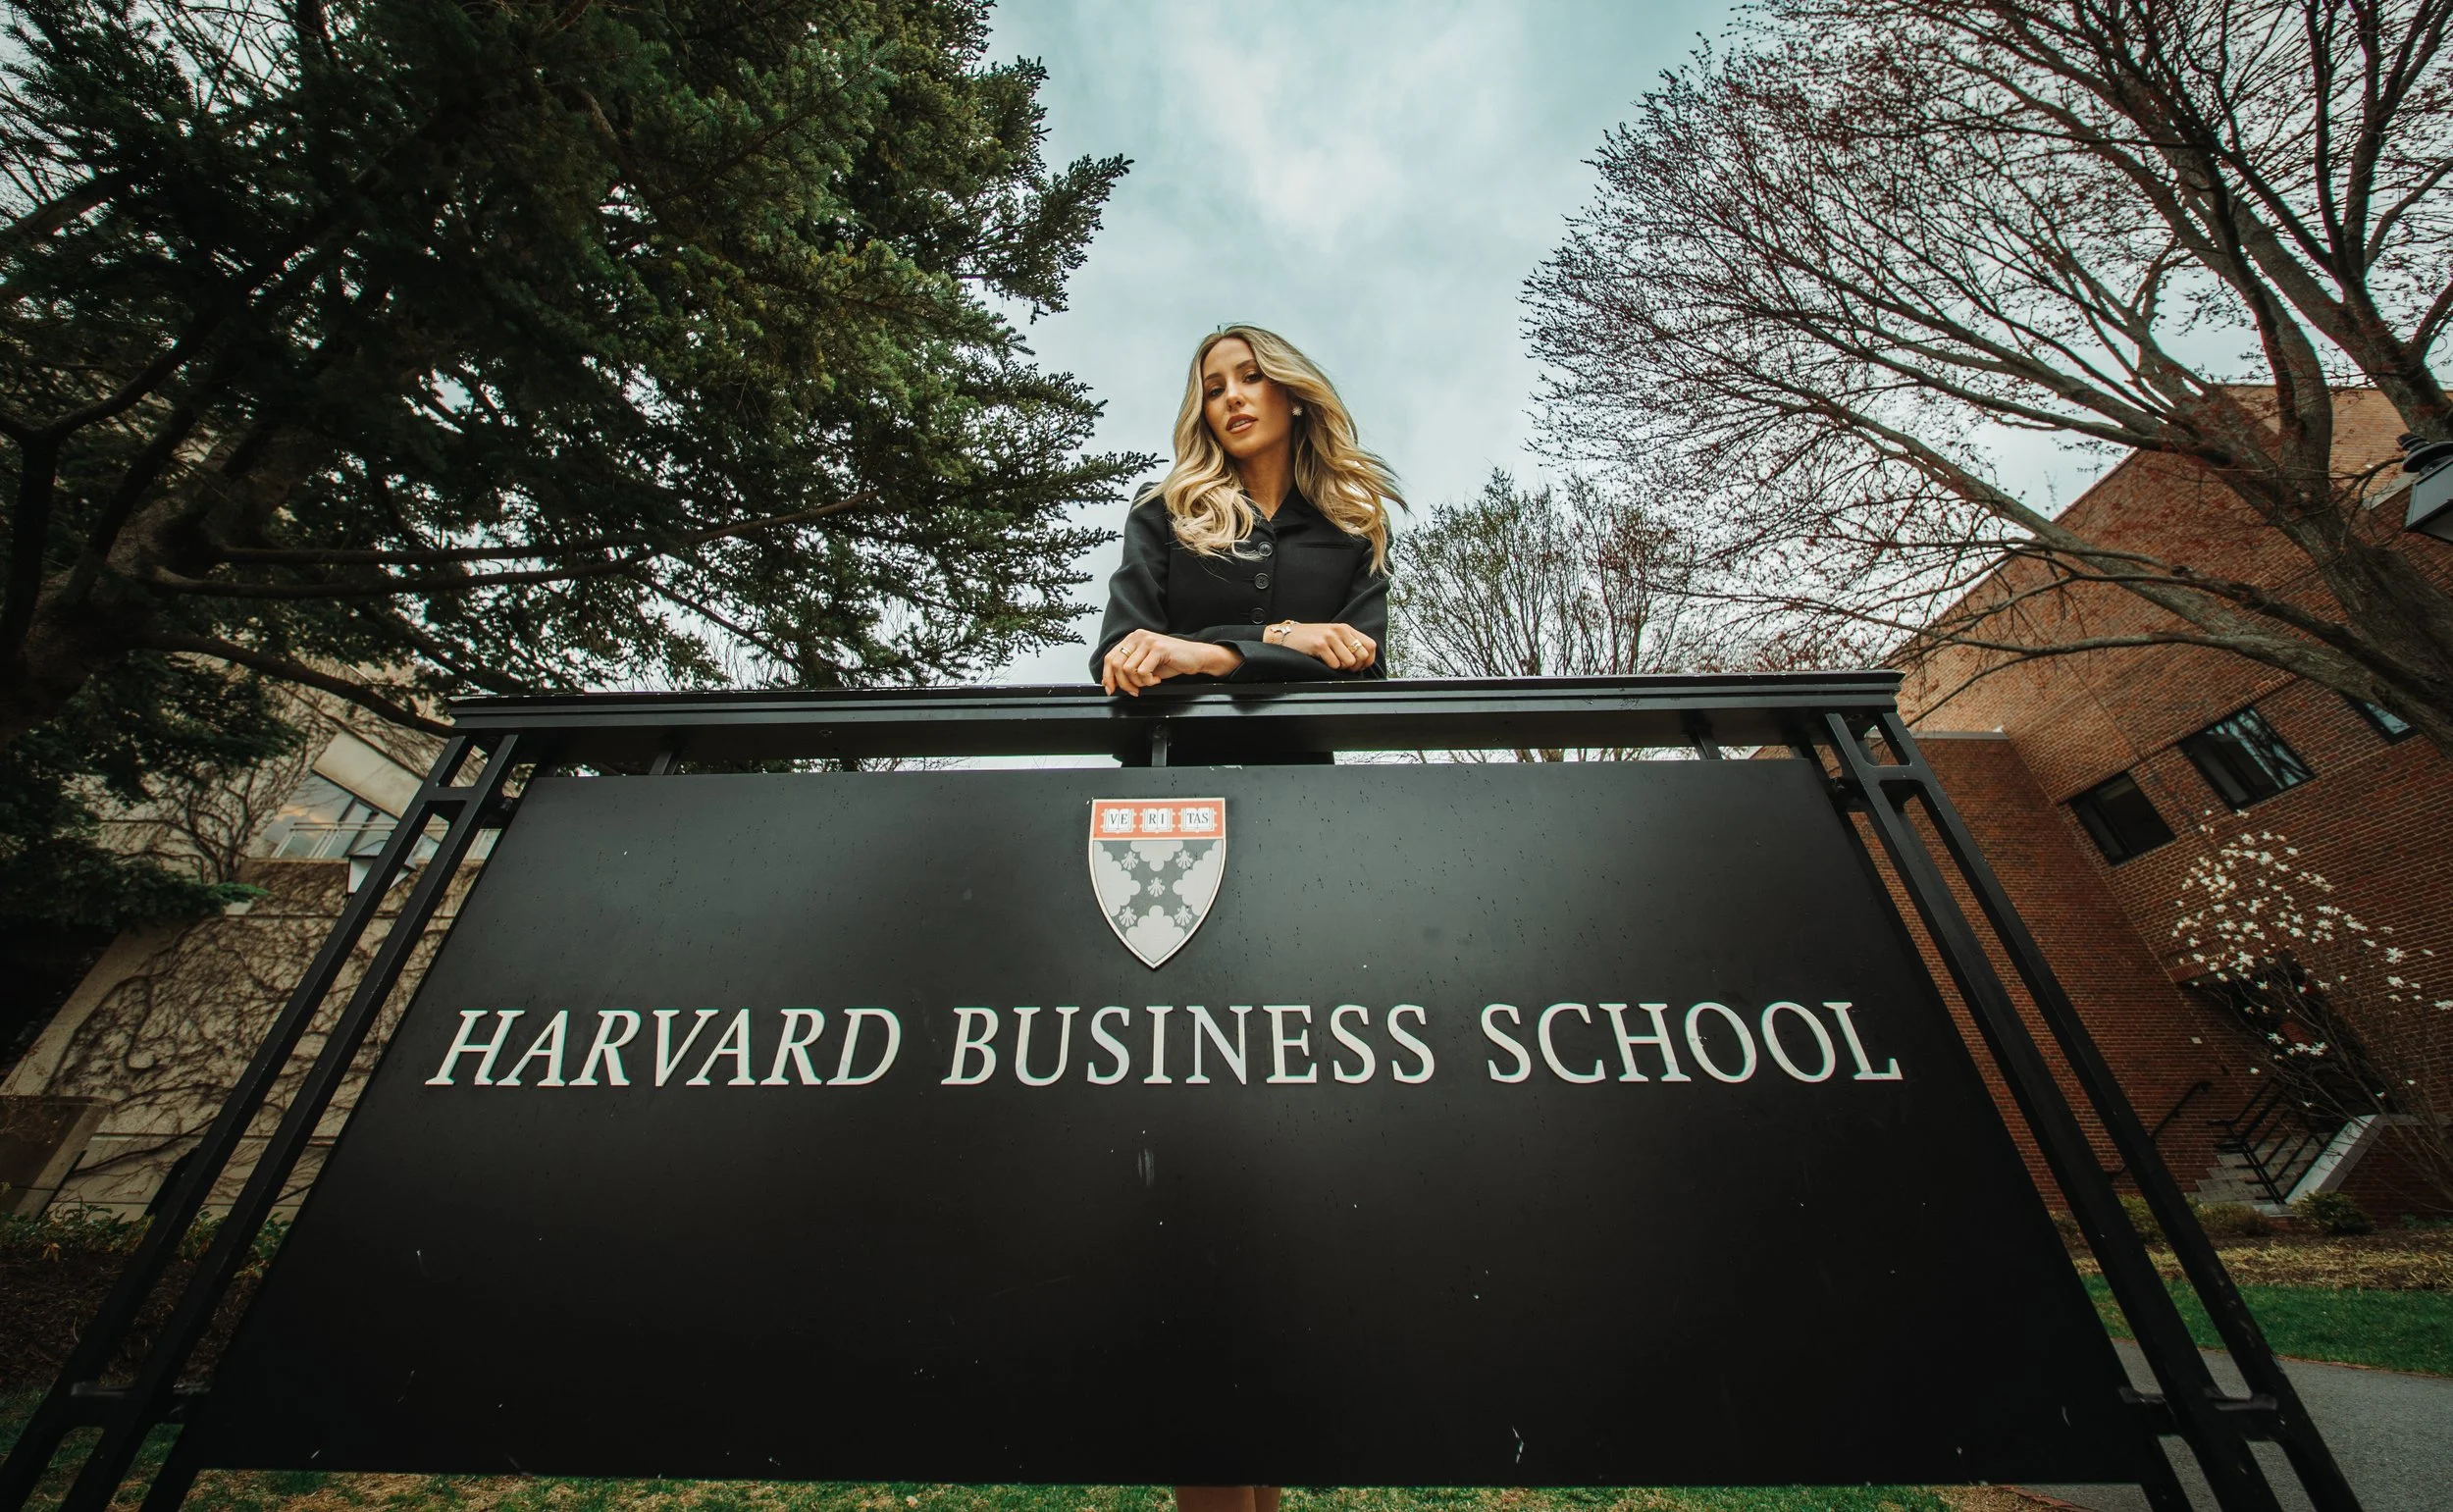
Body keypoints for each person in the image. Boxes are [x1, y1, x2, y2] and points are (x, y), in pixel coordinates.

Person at [1093, 324, 1399, 706]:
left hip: (1306, 745)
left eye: (1251, 377)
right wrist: (1283, 638)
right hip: (1171, 741)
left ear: (1293, 395)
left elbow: (1366, 673)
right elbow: (1120, 655)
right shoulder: (1163, 509)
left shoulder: (1358, 527)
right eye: (1214, 391)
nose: (1233, 397)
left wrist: (1211, 656)